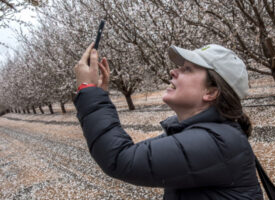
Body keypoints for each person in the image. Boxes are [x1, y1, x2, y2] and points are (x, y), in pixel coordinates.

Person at [73, 43, 263, 199]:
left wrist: (88, 90)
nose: (173, 71)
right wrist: (99, 95)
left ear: (211, 92)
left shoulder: (217, 143)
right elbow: (131, 155)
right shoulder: (209, 135)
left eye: (187, 69)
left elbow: (120, 159)